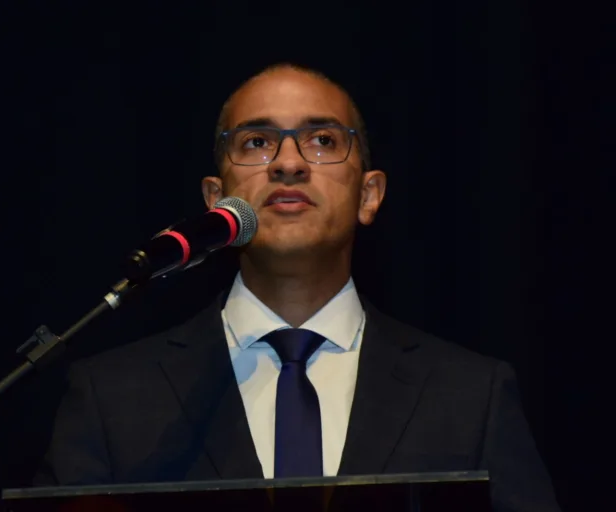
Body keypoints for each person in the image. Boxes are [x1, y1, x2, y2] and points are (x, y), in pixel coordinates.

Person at [34, 63, 560, 511]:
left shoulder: (472, 395)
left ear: (369, 195)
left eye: (322, 140)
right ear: (216, 197)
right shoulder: (110, 397)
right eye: (258, 142)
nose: (289, 163)